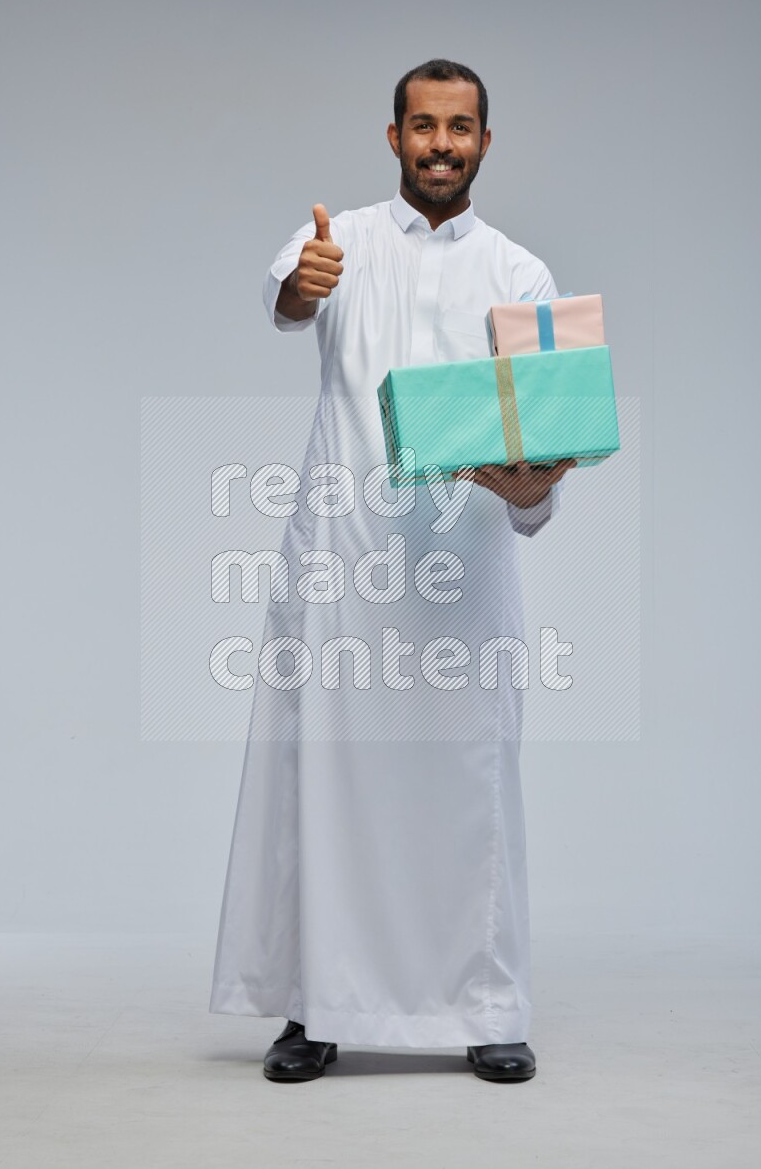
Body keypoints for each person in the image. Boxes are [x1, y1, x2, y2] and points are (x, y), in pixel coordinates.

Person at [209, 58, 577, 1083]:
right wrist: (301, 284)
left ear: (484, 143)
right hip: (344, 565)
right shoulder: (339, 242)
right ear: (393, 137)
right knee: (325, 784)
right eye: (422, 125)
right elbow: (290, 298)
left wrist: (532, 483)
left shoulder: (521, 275)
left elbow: (539, 446)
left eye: (459, 127)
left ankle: (486, 1006)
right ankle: (315, 1008)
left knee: (470, 784)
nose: (440, 145)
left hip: (464, 570)